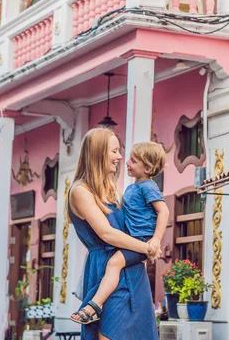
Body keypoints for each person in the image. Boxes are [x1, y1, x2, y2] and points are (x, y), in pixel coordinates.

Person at [67, 128, 159, 340]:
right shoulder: (81, 191)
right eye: (114, 151)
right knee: (110, 331)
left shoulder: (114, 190)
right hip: (105, 269)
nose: (119, 157)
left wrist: (152, 238)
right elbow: (107, 234)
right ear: (98, 153)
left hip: (132, 269)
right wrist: (147, 248)